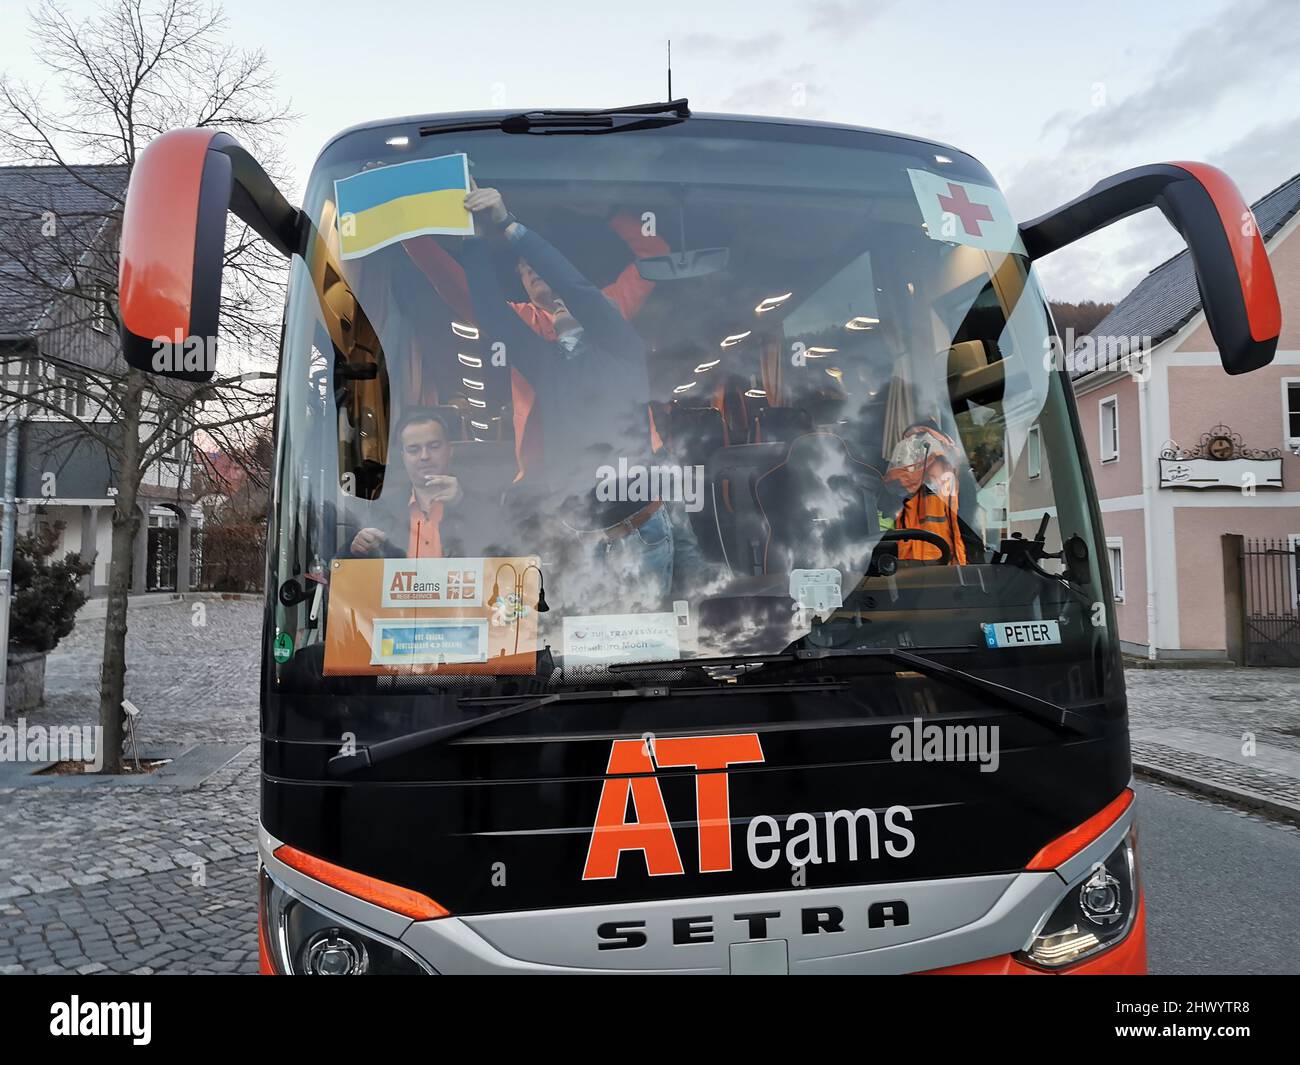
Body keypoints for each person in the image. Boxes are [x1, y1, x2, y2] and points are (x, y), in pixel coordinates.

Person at [457, 184, 675, 611]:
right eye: (549, 299)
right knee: (581, 656)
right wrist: (471, 239)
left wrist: (508, 225)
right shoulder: (546, 363)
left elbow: (574, 287)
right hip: (576, 539)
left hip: (641, 532)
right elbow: (492, 315)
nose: (556, 300)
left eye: (565, 298)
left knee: (643, 649)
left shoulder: (621, 347)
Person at [349, 408, 471, 559]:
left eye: (433, 446)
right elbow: (340, 567)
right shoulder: (384, 507)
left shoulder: (478, 504)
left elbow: (499, 553)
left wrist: (463, 503)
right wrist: (356, 547)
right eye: (414, 450)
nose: (424, 456)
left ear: (450, 450)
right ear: (403, 457)